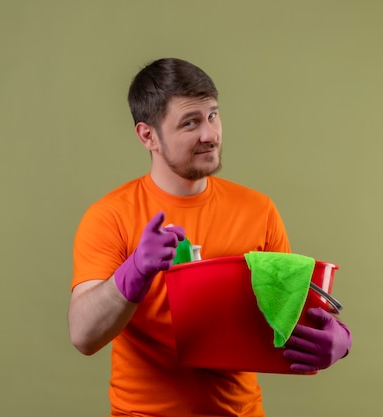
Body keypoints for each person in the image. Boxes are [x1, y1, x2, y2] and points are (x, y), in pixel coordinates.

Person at [68, 57, 352, 416]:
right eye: (190, 122)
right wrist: (134, 271)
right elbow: (83, 335)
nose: (210, 134)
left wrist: (339, 342)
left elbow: (284, 320)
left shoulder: (258, 210)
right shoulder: (110, 215)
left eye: (212, 116)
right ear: (148, 135)